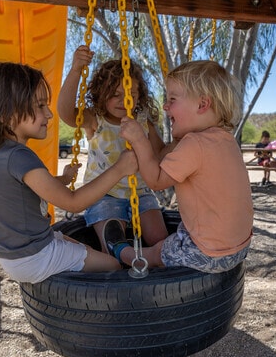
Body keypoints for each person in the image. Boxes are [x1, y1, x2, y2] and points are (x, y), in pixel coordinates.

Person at [0, 61, 138, 283]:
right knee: (113, 265)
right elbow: (74, 203)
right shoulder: (19, 156)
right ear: (5, 113)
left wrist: (64, 179)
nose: (49, 114)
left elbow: (26, 190)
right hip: (35, 256)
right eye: (40, 106)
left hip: (13, 254)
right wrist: (119, 169)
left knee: (83, 246)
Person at [104, 60, 254, 273]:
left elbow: (156, 181)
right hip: (239, 248)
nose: (165, 106)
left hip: (208, 253)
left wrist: (139, 140)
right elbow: (165, 157)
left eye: (172, 99)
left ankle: (121, 252)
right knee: (173, 238)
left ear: (202, 105)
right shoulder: (226, 140)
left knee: (157, 252)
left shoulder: (194, 143)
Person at [57, 45, 168, 253]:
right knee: (113, 239)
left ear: (139, 96)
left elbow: (161, 153)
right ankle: (117, 263)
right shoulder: (95, 120)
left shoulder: (144, 121)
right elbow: (66, 113)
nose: (124, 100)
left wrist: (184, 138)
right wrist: (75, 71)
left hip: (142, 192)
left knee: (159, 239)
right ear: (101, 94)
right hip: (104, 194)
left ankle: (155, 267)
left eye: (132, 94)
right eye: (116, 94)